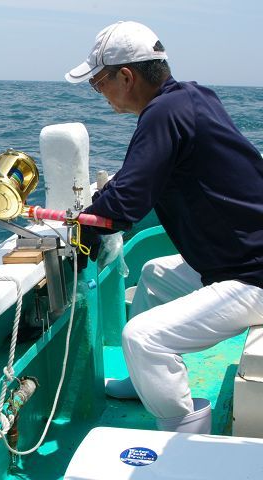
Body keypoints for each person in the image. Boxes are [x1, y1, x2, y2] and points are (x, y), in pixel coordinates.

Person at [64, 20, 263, 434]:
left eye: (99, 83)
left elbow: (124, 204)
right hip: (237, 257)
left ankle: (186, 433)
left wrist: (80, 237)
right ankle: (143, 383)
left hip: (252, 274)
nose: (99, 94)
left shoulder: (162, 113)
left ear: (126, 76)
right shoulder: (191, 97)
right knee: (153, 276)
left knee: (144, 338)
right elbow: (136, 179)